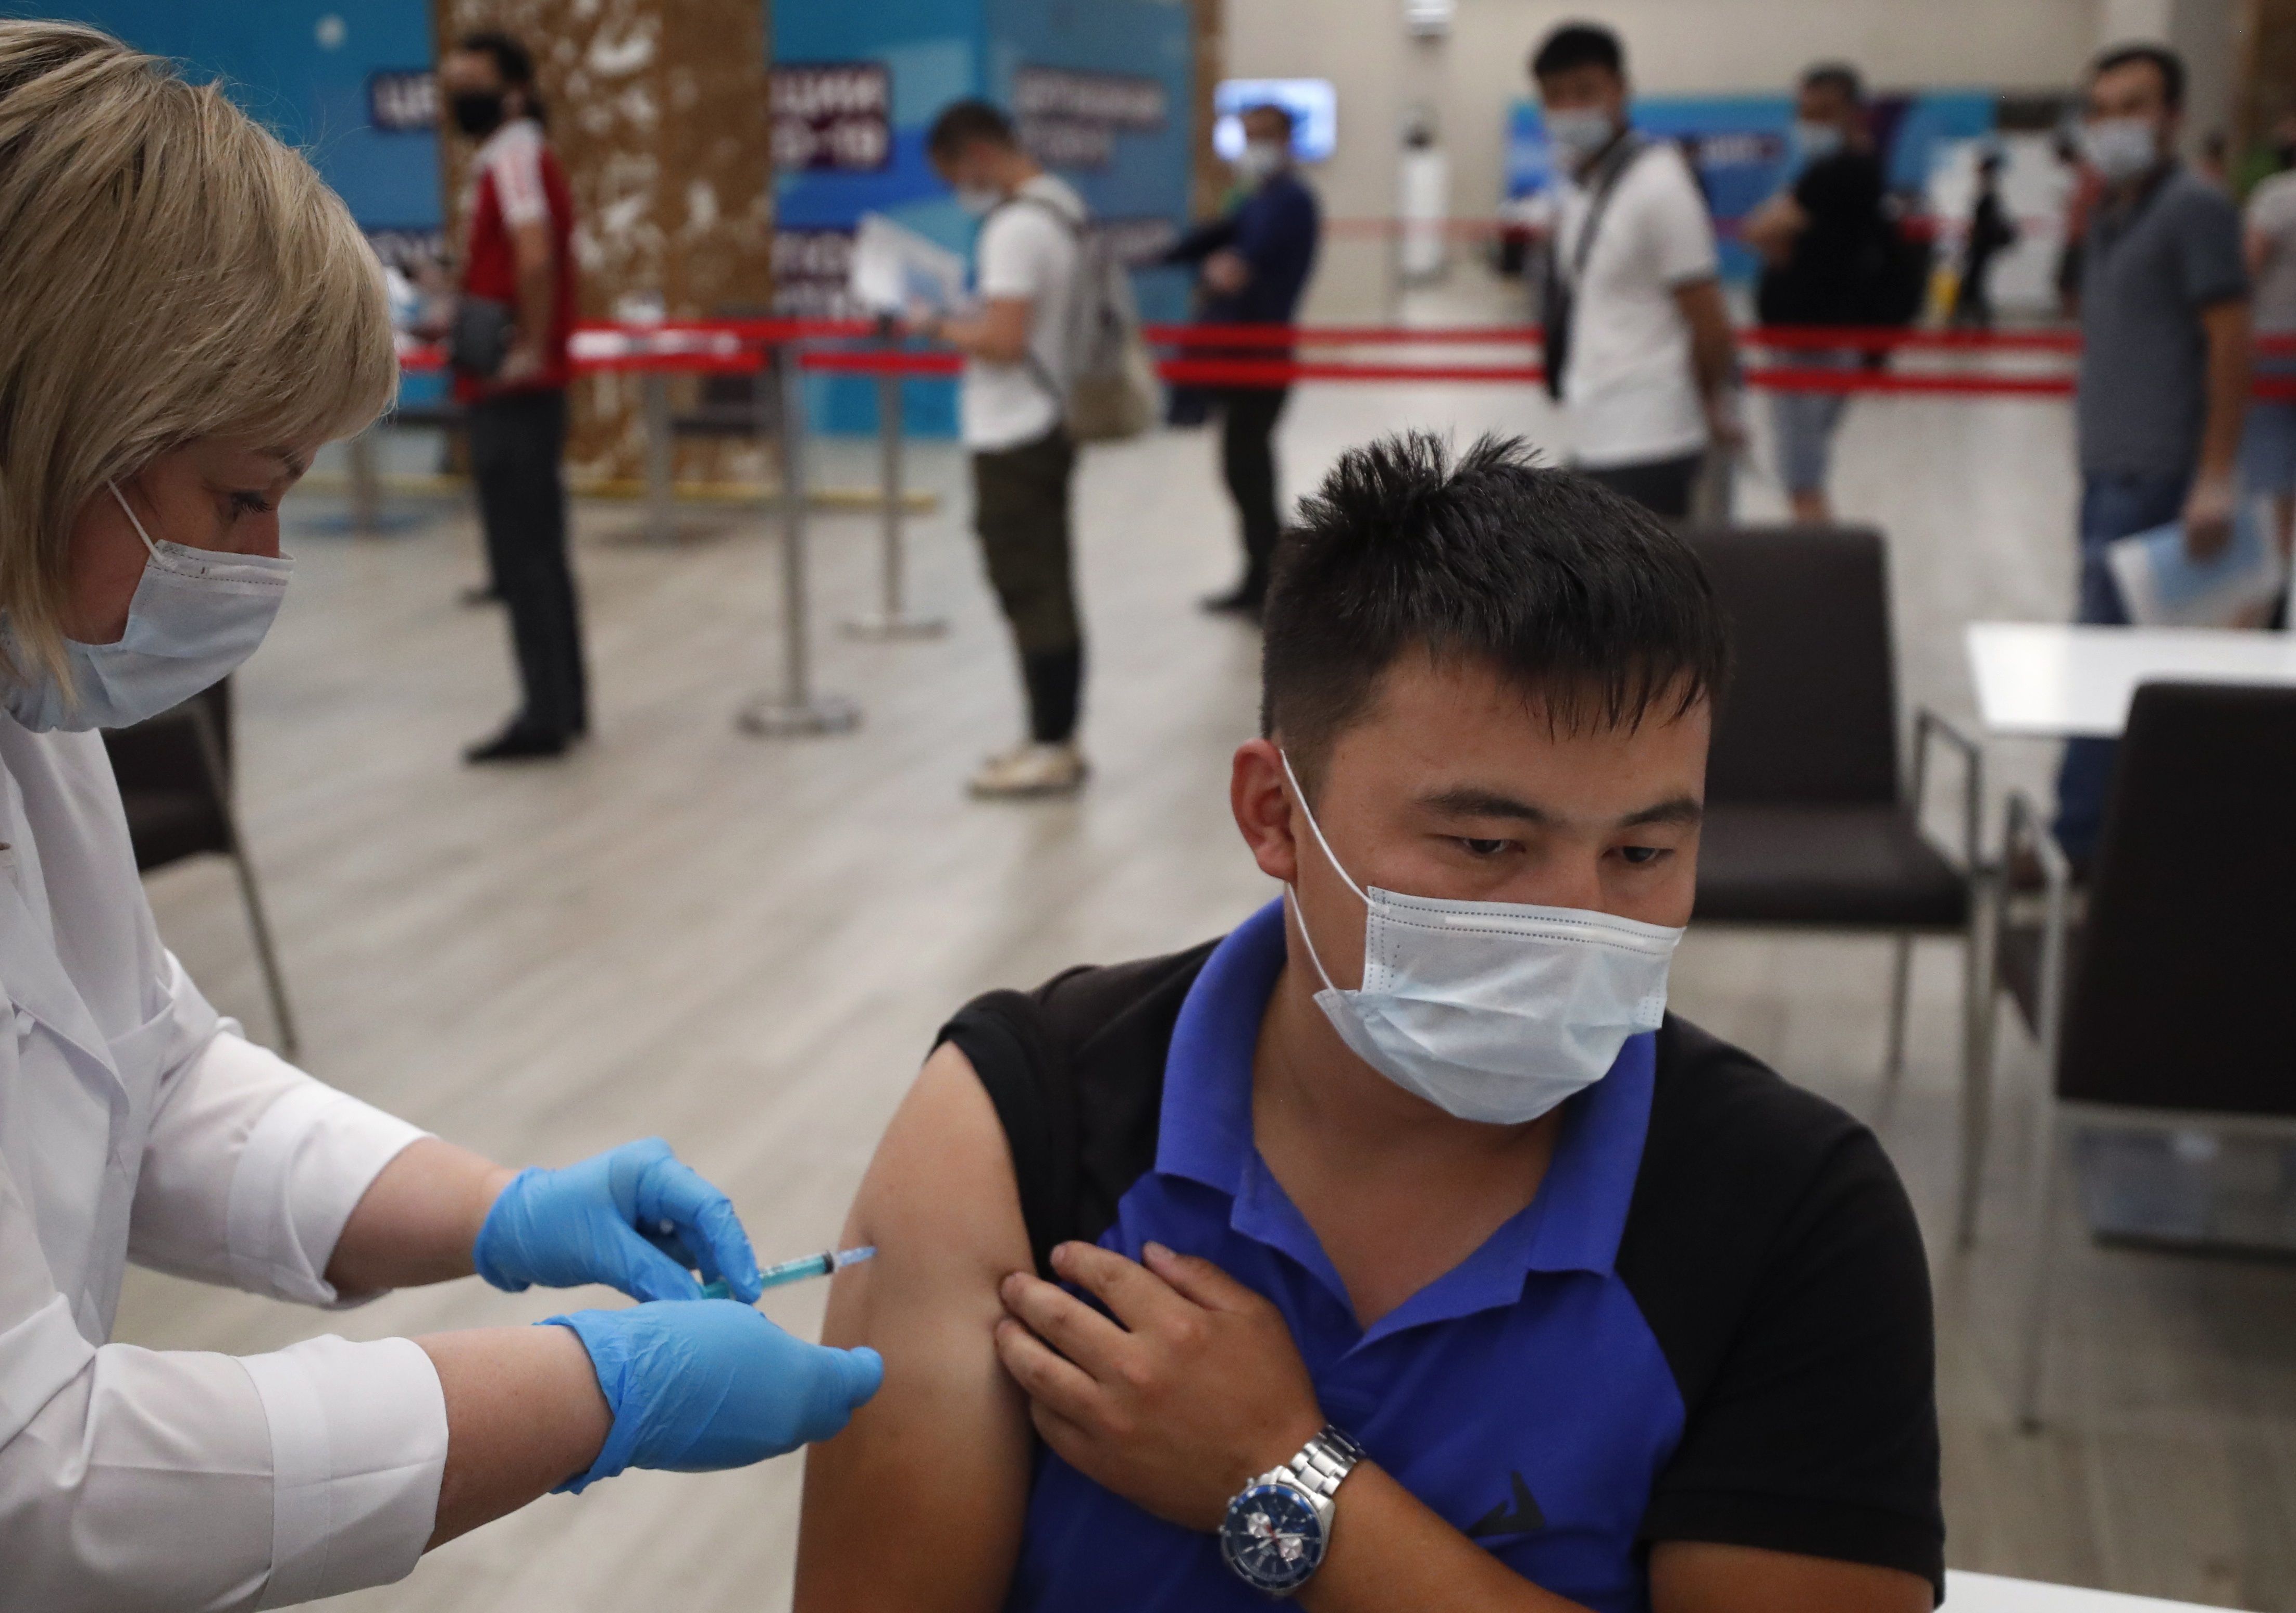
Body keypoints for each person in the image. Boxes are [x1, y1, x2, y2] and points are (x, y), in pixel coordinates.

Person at [0, 24, 880, 1607]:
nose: (265, 564)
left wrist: (498, 1212)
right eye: (239, 497)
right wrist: (591, 1394)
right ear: (19, 440)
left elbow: (140, 1073)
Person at [796, 433, 1942, 1613]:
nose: (1577, 919)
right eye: (1488, 846)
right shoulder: (1020, 1125)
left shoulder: (1789, 1213)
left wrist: (1279, 1479)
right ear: (1274, 815)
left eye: (1643, 852)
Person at [2053, 42, 2253, 870]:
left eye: (2132, 106)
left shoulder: (2195, 209)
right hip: (2108, 470)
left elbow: (2230, 341)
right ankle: (2104, 835)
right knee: (2111, 659)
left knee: (2118, 665)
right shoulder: (2109, 211)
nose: (2113, 125)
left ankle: (2083, 842)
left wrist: (2214, 474)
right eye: (2100, 108)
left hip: (2161, 480)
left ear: (2171, 118)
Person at [917, 100, 1091, 799]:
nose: (959, 187)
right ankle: (1053, 734)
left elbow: (1004, 340)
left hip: (1014, 429)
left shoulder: (1015, 228)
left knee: (1032, 587)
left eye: (955, 171)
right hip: (1049, 419)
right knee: (1045, 581)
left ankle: (1052, 742)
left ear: (978, 155)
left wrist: (935, 324)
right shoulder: (1061, 205)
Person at [443, 32, 589, 763]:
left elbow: (534, 254)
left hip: (514, 389)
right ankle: (567, 701)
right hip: (518, 381)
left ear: (515, 90)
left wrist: (525, 348)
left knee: (525, 556)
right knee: (544, 552)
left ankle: (545, 712)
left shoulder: (514, 156)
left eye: (471, 81)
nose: (457, 95)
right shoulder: (514, 156)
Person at [1531, 22, 1742, 523]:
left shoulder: (1660, 186)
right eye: (1555, 96)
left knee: (1644, 596)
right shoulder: (1584, 184)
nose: (1570, 108)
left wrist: (1708, 409)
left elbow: (1710, 324)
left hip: (1654, 440)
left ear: (1619, 89)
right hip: (1595, 430)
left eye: (1584, 90)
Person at [1164, 104, 1322, 617]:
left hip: (1262, 357)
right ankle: (1260, 580)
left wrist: (1215, 272)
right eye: (1246, 135)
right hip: (1239, 354)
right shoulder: (1258, 199)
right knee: (1242, 470)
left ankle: (1275, 586)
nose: (1254, 145)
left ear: (1287, 141)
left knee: (1249, 470)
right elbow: (1220, 240)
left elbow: (1237, 268)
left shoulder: (1291, 201)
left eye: (1264, 135)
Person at [1743, 63, 1890, 524]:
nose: (1811, 124)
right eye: (1805, 112)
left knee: (1802, 474)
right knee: (1805, 468)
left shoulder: (1841, 172)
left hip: (1812, 344)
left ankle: (1817, 570)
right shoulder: (1829, 173)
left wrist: (1780, 235)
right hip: (1813, 339)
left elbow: (1762, 227)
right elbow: (1765, 230)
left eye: (1824, 112)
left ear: (1851, 114)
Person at [2241, 116, 2296, 565]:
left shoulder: (2278, 197)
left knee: (2272, 479)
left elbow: (2247, 270)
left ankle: (2272, 586)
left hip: (2276, 352)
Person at [1953, 151, 2017, 330]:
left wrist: (1972, 237)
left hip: (1982, 245)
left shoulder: (1987, 192)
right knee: (1976, 280)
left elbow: (1981, 221)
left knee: (1974, 280)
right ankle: (1977, 317)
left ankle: (1974, 318)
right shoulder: (1989, 190)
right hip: (1982, 245)